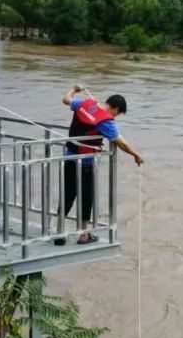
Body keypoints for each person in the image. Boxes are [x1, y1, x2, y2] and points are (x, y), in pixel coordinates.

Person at [55, 84, 143, 245]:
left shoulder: (85, 105)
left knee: (67, 195)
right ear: (115, 108)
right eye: (117, 114)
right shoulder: (105, 121)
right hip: (85, 164)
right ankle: (84, 235)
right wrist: (135, 155)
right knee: (86, 198)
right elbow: (121, 143)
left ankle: (59, 233)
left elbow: (66, 99)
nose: (116, 117)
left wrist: (74, 89)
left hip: (68, 159)